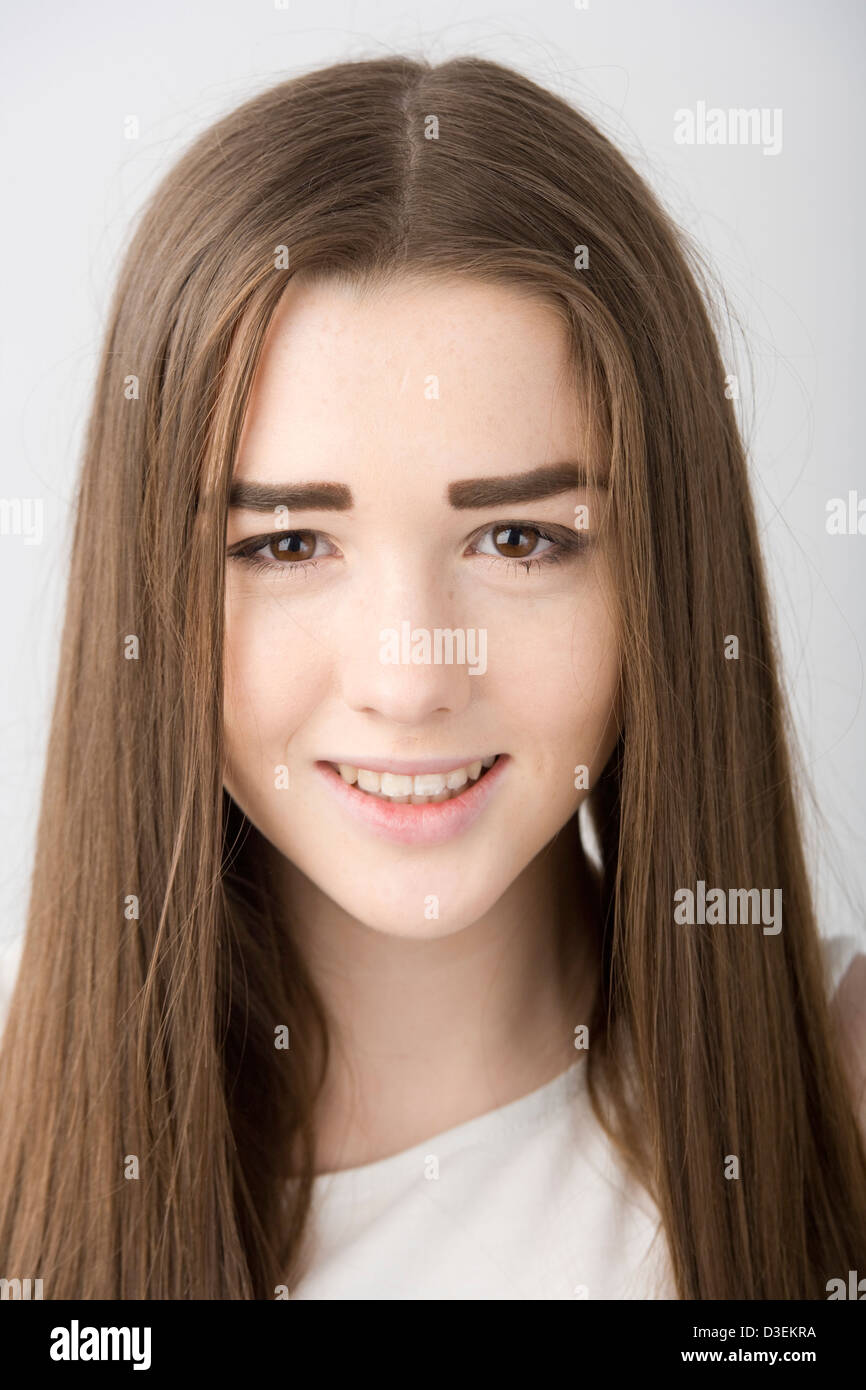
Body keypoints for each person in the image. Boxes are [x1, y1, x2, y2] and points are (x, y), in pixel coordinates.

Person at [0, 54, 863, 1300]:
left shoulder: (838, 1099)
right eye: (287, 543)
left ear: (663, 578)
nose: (411, 678)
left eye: (518, 540)